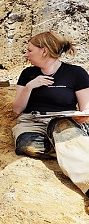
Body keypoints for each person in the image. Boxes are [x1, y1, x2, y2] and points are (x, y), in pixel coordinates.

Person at [12, 31, 89, 197]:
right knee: (26, 146)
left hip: (64, 121)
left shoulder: (76, 73)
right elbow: (17, 109)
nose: (26, 54)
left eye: (29, 50)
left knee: (60, 128)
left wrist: (83, 116)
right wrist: (30, 86)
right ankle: (69, 148)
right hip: (33, 121)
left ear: (44, 51)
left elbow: (86, 108)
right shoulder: (28, 74)